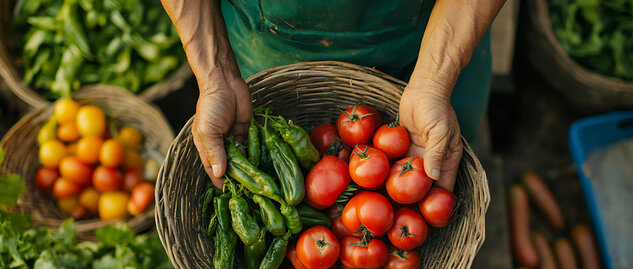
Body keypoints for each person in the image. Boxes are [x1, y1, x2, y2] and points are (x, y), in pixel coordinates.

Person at [160, 0, 505, 192]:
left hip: (437, 37)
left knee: (444, 167)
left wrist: (434, 80)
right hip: (266, 48)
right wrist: (216, 73)